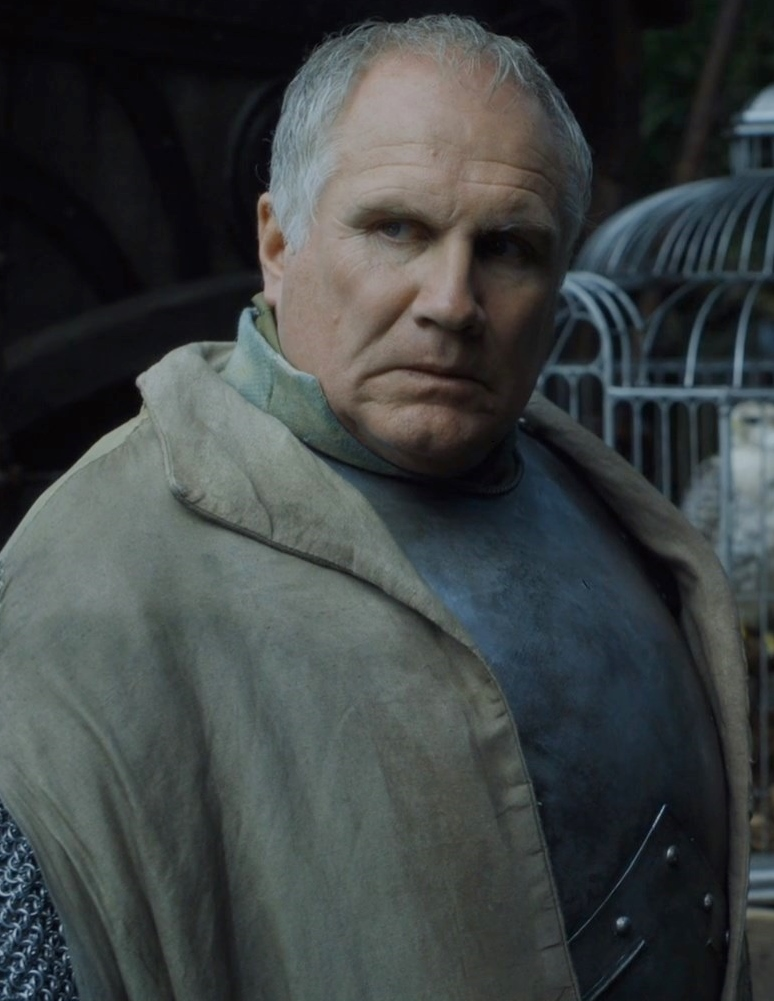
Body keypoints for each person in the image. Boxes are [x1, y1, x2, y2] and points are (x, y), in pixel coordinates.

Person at [0, 15, 751, 1001]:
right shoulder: (83, 584)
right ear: (280, 243)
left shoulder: (616, 518)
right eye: (397, 228)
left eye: (509, 247)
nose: (452, 301)